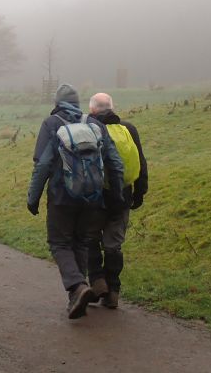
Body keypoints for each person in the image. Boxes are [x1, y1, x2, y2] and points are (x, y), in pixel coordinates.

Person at [27, 83, 125, 319]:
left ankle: (77, 286)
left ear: (57, 102)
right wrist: (117, 195)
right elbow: (115, 162)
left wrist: (33, 197)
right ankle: (77, 296)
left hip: (62, 197)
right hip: (93, 198)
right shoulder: (94, 124)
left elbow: (42, 164)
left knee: (59, 243)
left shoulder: (51, 124)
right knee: (81, 242)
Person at [86, 92, 148, 309]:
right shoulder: (128, 129)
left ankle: (97, 280)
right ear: (112, 107)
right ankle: (113, 290)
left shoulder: (88, 129)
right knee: (114, 245)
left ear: (93, 109)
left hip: (94, 198)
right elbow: (140, 161)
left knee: (90, 238)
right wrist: (140, 192)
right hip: (122, 195)